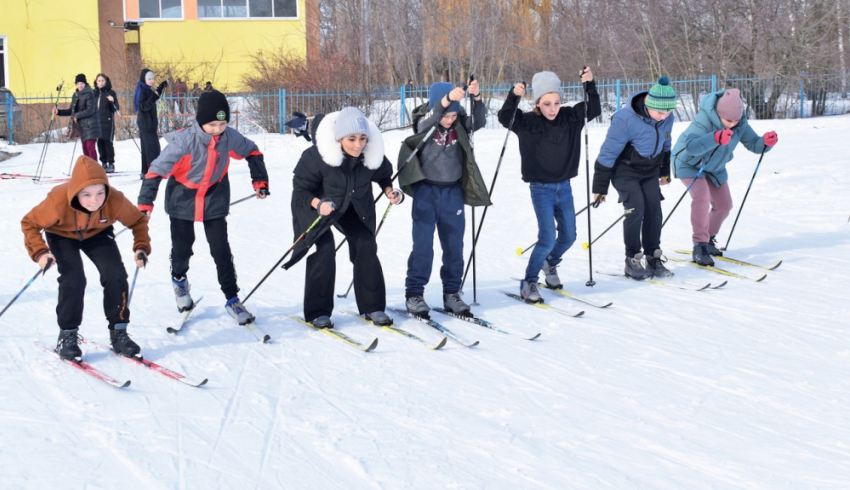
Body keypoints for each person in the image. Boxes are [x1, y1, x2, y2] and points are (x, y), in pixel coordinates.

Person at [137, 90, 270, 325]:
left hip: (214, 197)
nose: (218, 129)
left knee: (221, 250)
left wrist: (260, 181)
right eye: (212, 124)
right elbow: (156, 169)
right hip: (182, 198)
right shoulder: (185, 141)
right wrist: (146, 204)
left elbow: (252, 151)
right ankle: (179, 281)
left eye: (222, 123)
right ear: (200, 121)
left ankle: (232, 298)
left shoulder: (230, 137)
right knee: (183, 247)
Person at [21, 156, 150, 361]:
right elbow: (29, 223)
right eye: (86, 194)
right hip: (61, 234)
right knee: (74, 279)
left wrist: (141, 247)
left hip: (97, 232)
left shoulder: (114, 199)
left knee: (115, 274)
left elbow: (138, 221)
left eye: (100, 193)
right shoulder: (58, 200)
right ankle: (68, 335)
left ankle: (119, 332)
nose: (94, 200)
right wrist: (40, 252)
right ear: (75, 192)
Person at [283, 107, 403, 329]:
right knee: (325, 248)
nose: (358, 144)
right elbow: (301, 190)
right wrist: (318, 204)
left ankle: (372, 306)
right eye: (352, 139)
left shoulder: (370, 154)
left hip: (351, 206)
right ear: (339, 138)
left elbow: (383, 174)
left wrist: (389, 191)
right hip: (315, 207)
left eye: (362, 138)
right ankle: (318, 312)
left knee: (365, 243)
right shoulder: (316, 157)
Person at [498, 69, 601, 302]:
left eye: (556, 102)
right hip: (540, 188)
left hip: (564, 187)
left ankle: (550, 263)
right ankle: (530, 281)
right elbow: (505, 117)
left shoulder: (570, 117)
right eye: (546, 103)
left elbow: (593, 109)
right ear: (537, 102)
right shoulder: (526, 122)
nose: (552, 108)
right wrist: (514, 96)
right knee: (546, 238)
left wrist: (589, 85)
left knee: (569, 236)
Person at [397, 79, 490, 317]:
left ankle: (452, 292)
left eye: (453, 116)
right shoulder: (425, 122)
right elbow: (430, 118)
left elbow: (479, 120)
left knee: (453, 246)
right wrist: (447, 101)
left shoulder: (460, 124)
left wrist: (476, 97)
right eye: (446, 115)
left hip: (452, 193)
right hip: (426, 192)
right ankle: (414, 293)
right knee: (423, 247)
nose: (449, 120)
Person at [672, 88, 778, 266]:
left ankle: (709, 237)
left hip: (715, 167)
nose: (732, 124)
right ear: (719, 114)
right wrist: (715, 137)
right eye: (728, 120)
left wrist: (766, 143)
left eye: (736, 120)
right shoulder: (703, 121)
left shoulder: (740, 124)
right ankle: (700, 245)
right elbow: (691, 147)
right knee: (702, 197)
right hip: (689, 163)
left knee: (724, 205)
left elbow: (754, 144)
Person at [592, 76, 677, 279]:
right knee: (636, 208)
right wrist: (600, 188)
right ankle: (632, 259)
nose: (664, 117)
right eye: (660, 112)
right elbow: (607, 153)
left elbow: (666, 145)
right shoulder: (625, 119)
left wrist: (665, 171)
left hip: (650, 171)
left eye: (668, 112)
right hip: (625, 171)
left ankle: (653, 256)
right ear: (648, 103)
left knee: (654, 209)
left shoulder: (667, 118)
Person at [54, 74, 101, 161]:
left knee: (90, 147)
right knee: (85, 148)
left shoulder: (90, 94)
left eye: (82, 83)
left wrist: (77, 115)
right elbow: (72, 110)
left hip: (91, 125)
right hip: (82, 126)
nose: (80, 85)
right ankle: (88, 168)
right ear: (76, 84)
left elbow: (90, 110)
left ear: (85, 83)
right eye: (78, 83)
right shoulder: (75, 95)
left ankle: (95, 169)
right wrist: (59, 112)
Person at [134, 69, 168, 177]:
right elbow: (144, 106)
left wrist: (160, 88)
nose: (151, 81)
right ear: (144, 79)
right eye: (149, 79)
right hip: (146, 124)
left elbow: (154, 97)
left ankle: (146, 171)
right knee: (152, 148)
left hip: (149, 124)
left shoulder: (146, 89)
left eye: (153, 79)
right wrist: (154, 96)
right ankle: (153, 171)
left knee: (147, 148)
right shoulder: (142, 90)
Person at [93, 73, 119, 173]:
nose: (101, 83)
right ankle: (103, 162)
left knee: (108, 142)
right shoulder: (94, 93)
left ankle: (111, 163)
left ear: (106, 81)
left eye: (102, 81)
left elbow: (116, 108)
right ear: (96, 82)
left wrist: (112, 101)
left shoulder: (110, 93)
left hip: (107, 121)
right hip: (97, 122)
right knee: (100, 143)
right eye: (99, 81)